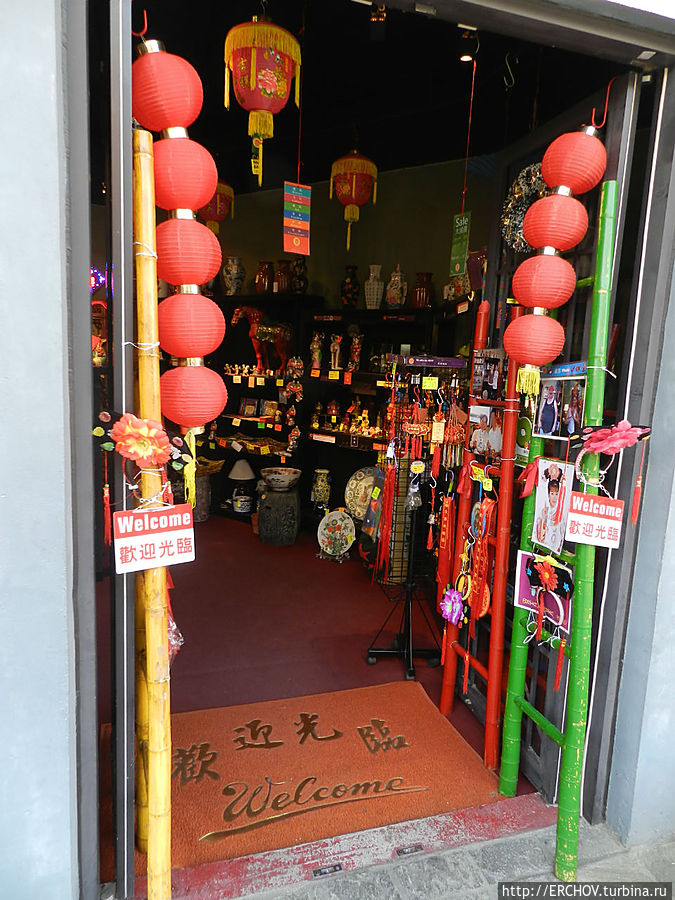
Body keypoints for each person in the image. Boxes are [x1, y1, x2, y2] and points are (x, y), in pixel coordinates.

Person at [534, 476, 565, 552]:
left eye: (557, 494)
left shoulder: (561, 513)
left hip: (555, 549)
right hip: (543, 548)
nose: (554, 497)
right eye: (552, 493)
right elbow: (540, 537)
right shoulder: (544, 511)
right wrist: (543, 518)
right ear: (548, 495)